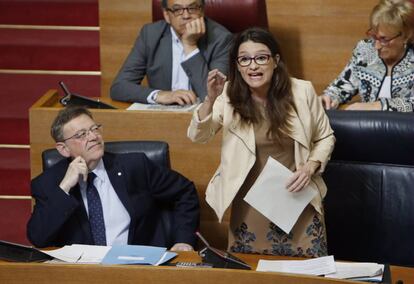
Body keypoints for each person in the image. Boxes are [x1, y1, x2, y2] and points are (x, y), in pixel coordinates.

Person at [187, 28, 335, 257]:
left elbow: (326, 137)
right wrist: (210, 100)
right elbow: (199, 136)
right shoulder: (228, 95)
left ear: (275, 61)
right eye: (244, 59)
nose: (252, 66)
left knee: (307, 274)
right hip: (250, 205)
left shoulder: (301, 91)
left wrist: (310, 167)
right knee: (251, 274)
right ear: (236, 65)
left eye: (261, 57)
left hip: (297, 199)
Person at [27, 106, 199, 250]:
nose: (94, 137)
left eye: (94, 129)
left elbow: (185, 191)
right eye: (81, 135)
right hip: (82, 274)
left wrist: (183, 239)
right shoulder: (49, 183)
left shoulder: (135, 166)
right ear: (64, 149)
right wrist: (64, 188)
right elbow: (38, 238)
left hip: (137, 270)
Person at [110, 0, 232, 106]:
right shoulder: (150, 35)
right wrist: (159, 95)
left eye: (192, 8)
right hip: (162, 120)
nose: (186, 15)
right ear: (166, 15)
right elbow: (119, 87)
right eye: (177, 9)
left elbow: (214, 97)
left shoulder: (221, 39)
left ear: (202, 10)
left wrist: (190, 45)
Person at [322, 0, 414, 112]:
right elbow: (342, 86)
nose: (376, 46)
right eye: (374, 36)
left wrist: (377, 106)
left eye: (384, 39)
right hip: (368, 128)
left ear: (406, 36)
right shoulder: (364, 50)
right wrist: (329, 97)